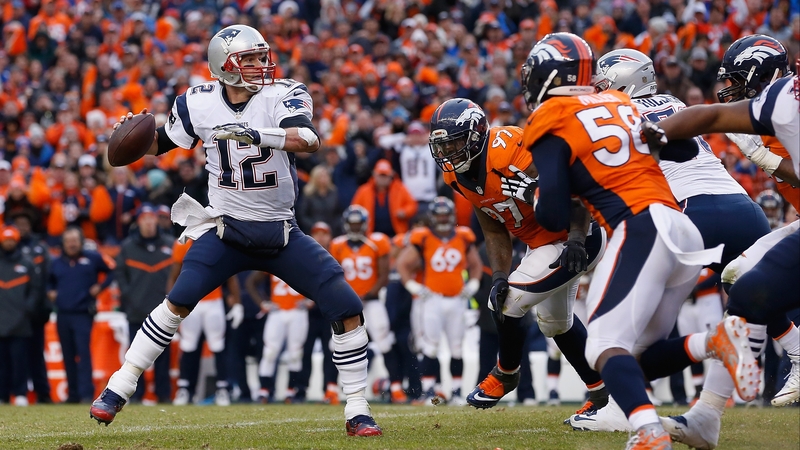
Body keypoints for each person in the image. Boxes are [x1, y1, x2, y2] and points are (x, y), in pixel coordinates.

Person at [90, 24, 382, 437]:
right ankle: (118, 387)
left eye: (263, 57)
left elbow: (309, 139)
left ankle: (357, 408)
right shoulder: (198, 102)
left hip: (281, 233)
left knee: (346, 305)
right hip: (225, 230)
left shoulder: (284, 93)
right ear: (223, 66)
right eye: (250, 59)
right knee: (178, 301)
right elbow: (161, 144)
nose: (262, 65)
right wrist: (129, 137)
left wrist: (257, 134)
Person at [521, 32, 758, 449]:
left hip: (642, 227)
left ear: (547, 75)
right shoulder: (622, 103)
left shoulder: (551, 115)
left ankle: (650, 431)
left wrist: (533, 194)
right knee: (635, 356)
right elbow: (682, 153)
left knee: (601, 345)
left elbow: (553, 215)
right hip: (680, 226)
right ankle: (711, 343)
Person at [642, 54, 799, 448]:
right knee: (743, 284)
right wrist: (656, 134)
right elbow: (709, 116)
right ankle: (706, 417)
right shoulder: (782, 97)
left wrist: (765, 158)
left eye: (737, 78)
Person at [427, 98, 609, 415]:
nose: (446, 153)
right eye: (441, 146)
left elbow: (574, 188)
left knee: (509, 303)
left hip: (579, 236)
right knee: (554, 324)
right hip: (542, 245)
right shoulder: (456, 177)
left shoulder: (508, 150)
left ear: (474, 136)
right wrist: (499, 275)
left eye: (453, 143)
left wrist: (578, 238)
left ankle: (506, 373)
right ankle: (603, 396)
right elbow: (493, 226)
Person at [396, 196, 483, 405]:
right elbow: (402, 264)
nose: (443, 219)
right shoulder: (423, 237)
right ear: (433, 217)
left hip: (457, 301)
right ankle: (428, 392)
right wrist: (412, 285)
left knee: (456, 348)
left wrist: (473, 284)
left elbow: (476, 265)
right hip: (433, 300)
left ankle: (455, 392)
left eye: (446, 215)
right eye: (439, 215)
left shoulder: (463, 236)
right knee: (430, 347)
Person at [169, 238, 242, 407]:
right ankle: (185, 388)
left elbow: (230, 275)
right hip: (190, 302)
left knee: (217, 345)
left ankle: (222, 388)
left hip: (213, 302)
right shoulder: (182, 244)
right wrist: (170, 306)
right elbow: (173, 276)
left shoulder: (217, 242)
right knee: (188, 345)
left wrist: (237, 303)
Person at [115, 203, 176, 404]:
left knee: (162, 356)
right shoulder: (127, 247)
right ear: (139, 222)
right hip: (136, 309)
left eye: (152, 219)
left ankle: (164, 394)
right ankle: (136, 394)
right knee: (135, 355)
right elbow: (120, 276)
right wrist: (129, 296)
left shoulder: (170, 243)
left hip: (163, 310)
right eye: (145, 219)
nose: (149, 223)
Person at [49, 226, 114, 403]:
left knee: (84, 354)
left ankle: (86, 394)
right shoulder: (56, 262)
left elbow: (112, 270)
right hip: (63, 313)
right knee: (68, 355)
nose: (71, 244)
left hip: (83, 313)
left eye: (74, 240)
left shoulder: (92, 258)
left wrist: (100, 287)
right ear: (63, 243)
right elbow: (47, 281)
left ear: (81, 242)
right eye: (68, 241)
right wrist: (51, 292)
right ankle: (73, 394)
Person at [250, 273, 311, 403]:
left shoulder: (303, 260)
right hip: (277, 312)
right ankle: (264, 390)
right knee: (270, 352)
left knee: (295, 353)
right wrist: (262, 303)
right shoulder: (274, 259)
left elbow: (319, 278)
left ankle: (290, 391)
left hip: (298, 311)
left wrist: (312, 300)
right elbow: (251, 282)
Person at [11, 211, 52, 404]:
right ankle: (17, 393)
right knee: (16, 356)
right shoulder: (8, 250)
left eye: (24, 223)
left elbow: (45, 279)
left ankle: (42, 392)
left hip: (35, 312)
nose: (22, 227)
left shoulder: (39, 248)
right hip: (13, 314)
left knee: (36, 353)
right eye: (18, 224)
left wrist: (39, 306)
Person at [0, 226, 38, 406]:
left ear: (16, 241)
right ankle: (2, 395)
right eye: (6, 239)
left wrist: (27, 310)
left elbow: (35, 290)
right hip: (1, 321)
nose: (8, 242)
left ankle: (21, 393)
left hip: (21, 322)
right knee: (2, 363)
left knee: (20, 361)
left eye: (11, 239)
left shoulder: (27, 263)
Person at [350, 159, 418, 238]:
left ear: (391, 175)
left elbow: (412, 205)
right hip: (370, 236)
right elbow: (354, 210)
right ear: (374, 175)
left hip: (396, 235)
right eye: (380, 175)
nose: (383, 178)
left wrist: (404, 212)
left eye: (385, 175)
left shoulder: (400, 188)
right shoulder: (364, 191)